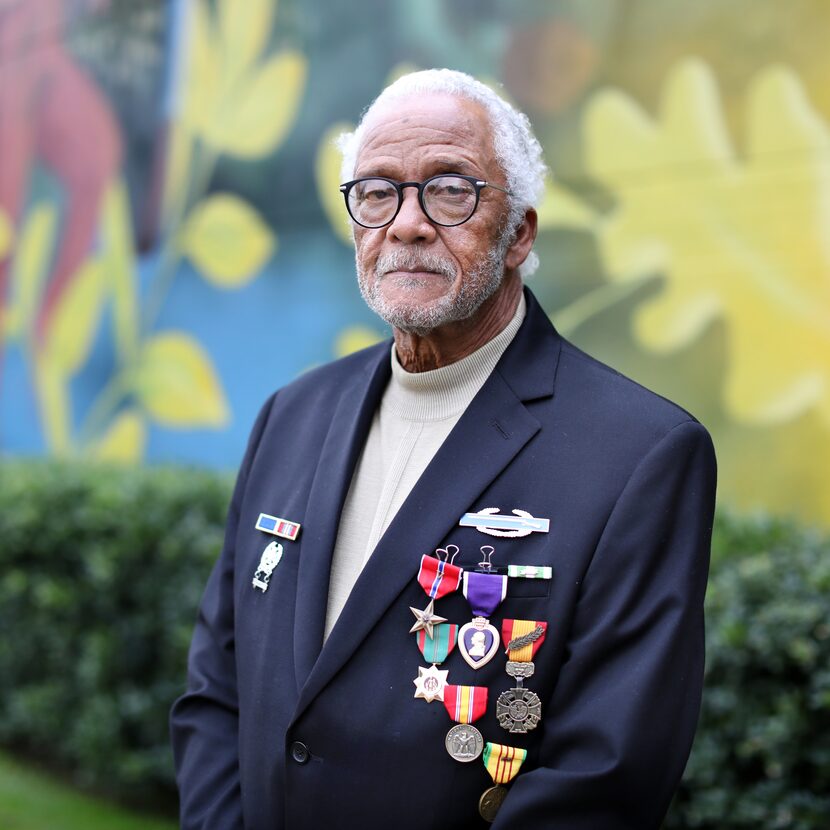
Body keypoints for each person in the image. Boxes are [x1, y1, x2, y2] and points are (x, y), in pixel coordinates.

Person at [170, 68, 717, 829]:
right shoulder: (292, 415)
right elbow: (218, 688)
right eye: (377, 192)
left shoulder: (642, 455)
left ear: (519, 230)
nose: (407, 223)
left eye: (451, 189)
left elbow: (603, 779)